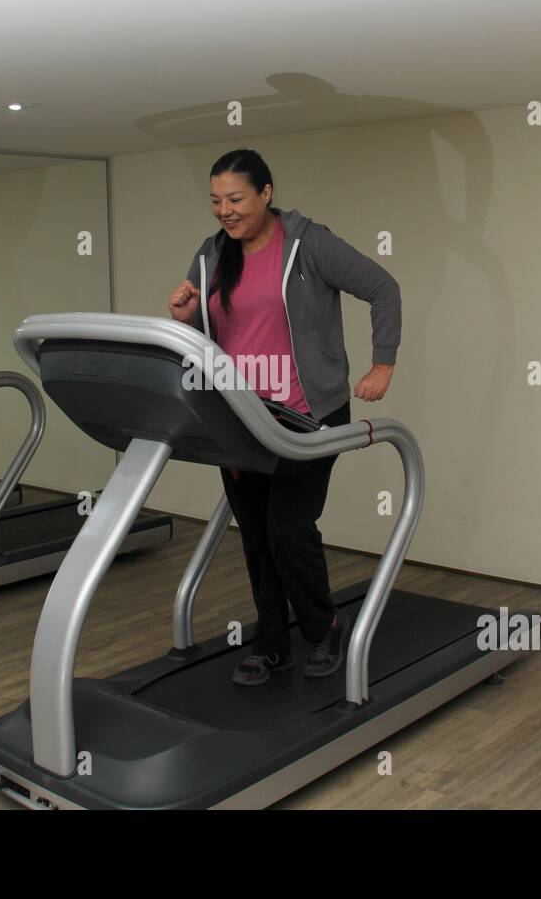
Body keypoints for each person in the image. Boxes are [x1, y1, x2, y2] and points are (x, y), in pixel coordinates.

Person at [168, 149, 401, 686]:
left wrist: (382, 365)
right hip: (242, 418)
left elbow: (383, 289)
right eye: (216, 201)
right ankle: (272, 644)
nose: (225, 210)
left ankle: (325, 629)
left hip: (306, 414)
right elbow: (207, 345)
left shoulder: (308, 243)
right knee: (254, 534)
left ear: (266, 193)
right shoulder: (209, 257)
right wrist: (185, 318)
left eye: (236, 199)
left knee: (288, 528)